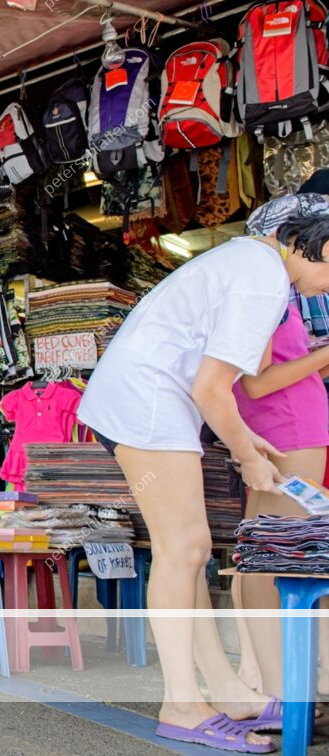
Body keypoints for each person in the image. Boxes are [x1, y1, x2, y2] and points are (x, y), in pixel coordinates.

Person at [77, 214, 329, 752]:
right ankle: (182, 705)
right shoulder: (263, 276)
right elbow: (214, 388)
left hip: (151, 397)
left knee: (186, 553)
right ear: (321, 249)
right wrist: (247, 454)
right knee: (183, 550)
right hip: (147, 401)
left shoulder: (255, 265)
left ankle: (227, 692)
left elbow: (230, 377)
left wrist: (247, 444)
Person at [230, 195, 329, 703]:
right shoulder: (269, 290)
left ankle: (276, 684)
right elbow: (258, 383)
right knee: (282, 558)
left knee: (266, 552)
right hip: (287, 431)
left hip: (286, 429)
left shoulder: (279, 292)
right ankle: (283, 690)